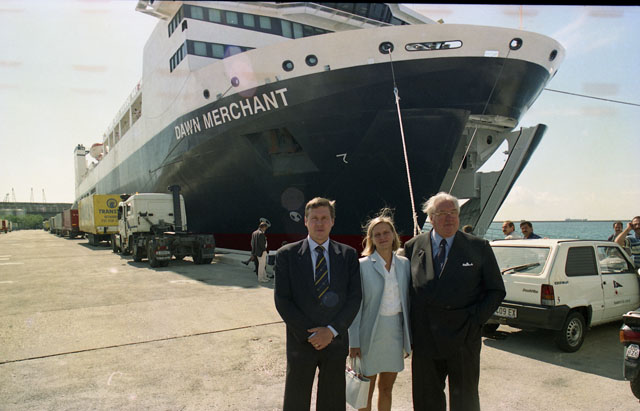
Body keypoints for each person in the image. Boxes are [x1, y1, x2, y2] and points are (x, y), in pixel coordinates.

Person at [402, 192, 505, 411]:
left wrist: (475, 320)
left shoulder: (478, 247)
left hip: (463, 337)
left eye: (453, 212)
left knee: (465, 400)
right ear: (431, 218)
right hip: (425, 339)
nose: (449, 218)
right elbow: (406, 292)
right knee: (426, 399)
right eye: (442, 213)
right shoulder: (413, 247)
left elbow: (496, 290)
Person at [274, 197, 362, 411]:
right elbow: (282, 300)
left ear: (332, 221)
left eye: (324, 218)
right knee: (296, 400)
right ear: (305, 221)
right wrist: (311, 334)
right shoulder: (287, 255)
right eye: (314, 218)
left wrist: (331, 331)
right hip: (301, 341)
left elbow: (354, 298)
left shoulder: (348, 255)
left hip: (335, 341)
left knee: (332, 400)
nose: (319, 223)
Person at [348, 210, 411, 411]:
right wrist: (353, 341)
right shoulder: (362, 266)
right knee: (365, 390)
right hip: (370, 335)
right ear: (371, 239)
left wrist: (408, 340)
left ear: (393, 235)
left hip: (395, 334)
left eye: (386, 232)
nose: (382, 237)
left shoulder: (405, 264)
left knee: (386, 388)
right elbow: (355, 308)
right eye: (377, 234)